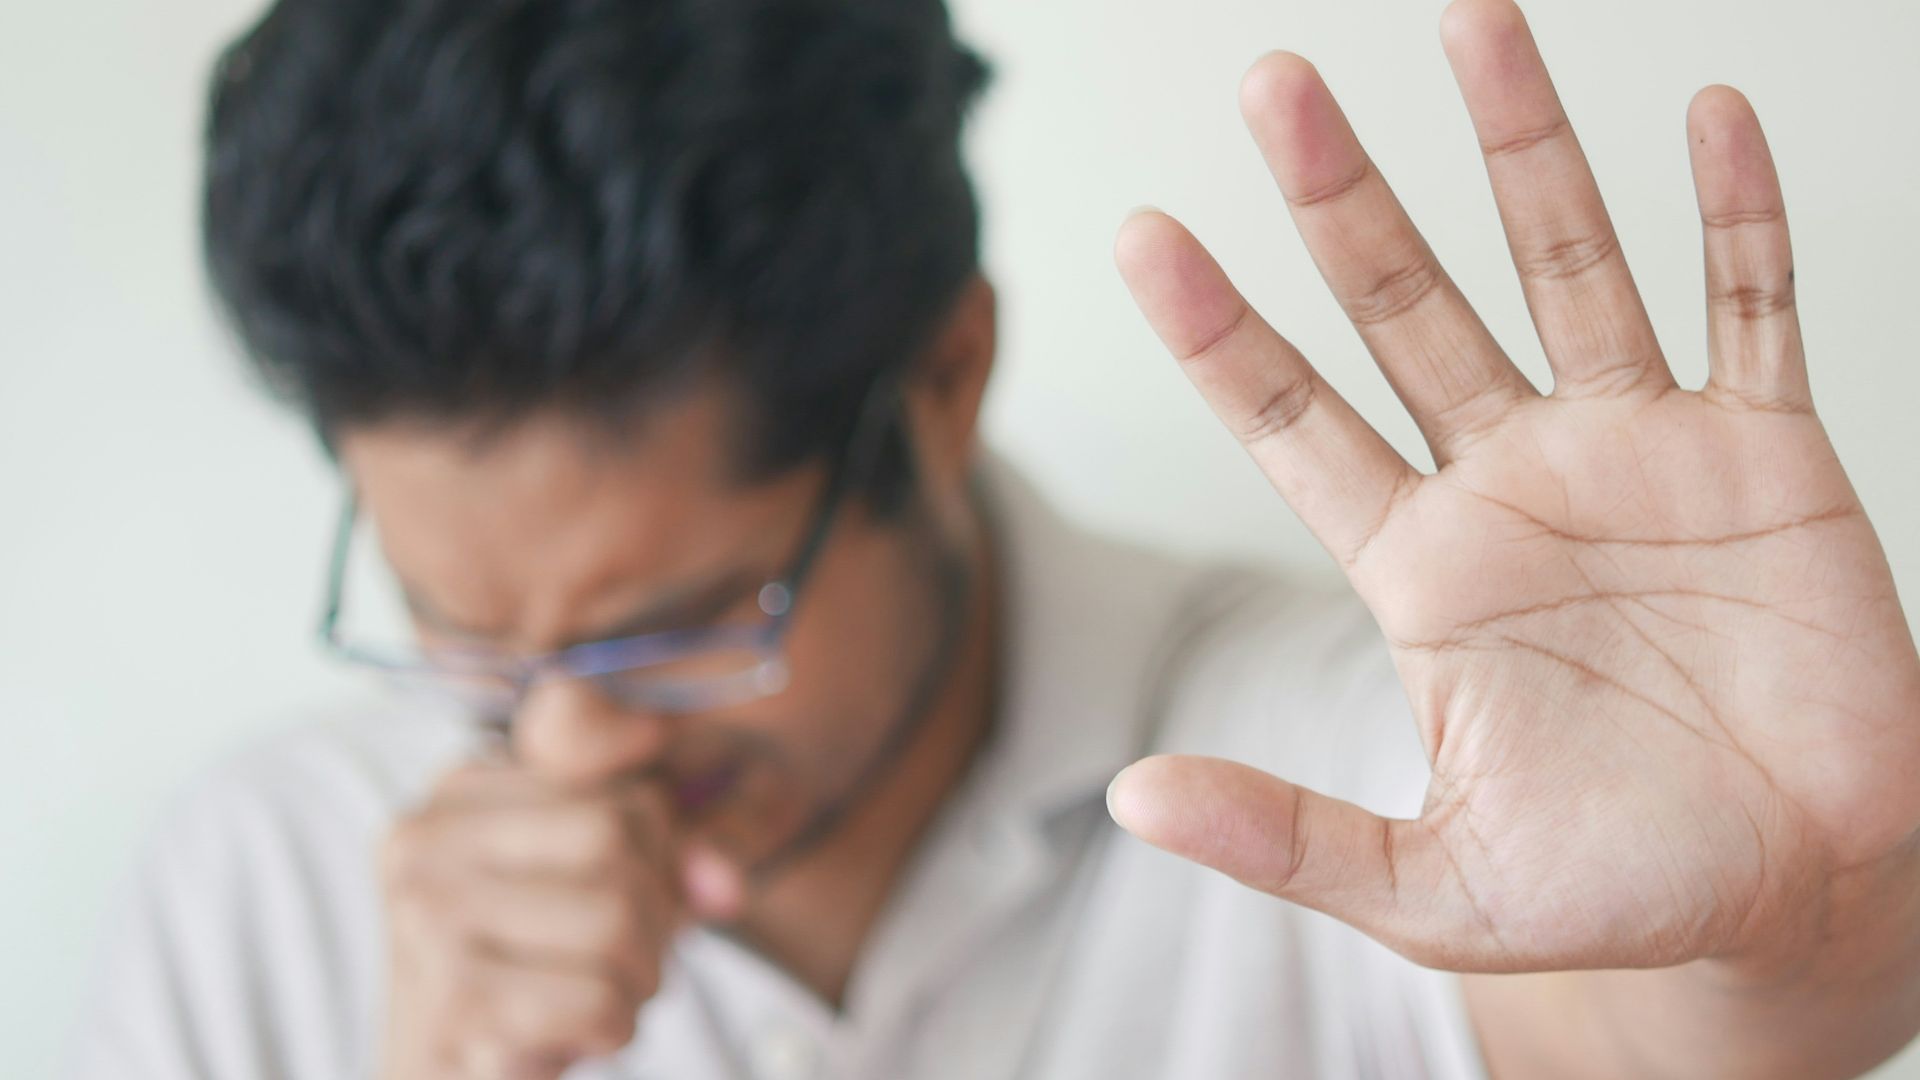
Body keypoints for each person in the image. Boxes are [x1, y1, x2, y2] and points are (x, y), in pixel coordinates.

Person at [65, 0, 1920, 1076]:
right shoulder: (264, 885)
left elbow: (1692, 1021)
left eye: (685, 621)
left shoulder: (1355, 750)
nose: (566, 738)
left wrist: (1812, 922)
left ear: (945, 380)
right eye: (461, 628)